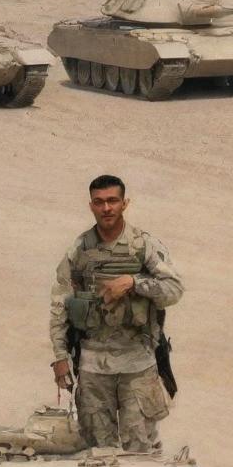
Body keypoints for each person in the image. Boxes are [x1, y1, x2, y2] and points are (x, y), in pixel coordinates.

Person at [50, 175, 183, 452]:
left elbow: (174, 289)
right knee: (98, 451)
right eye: (99, 202)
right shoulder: (80, 249)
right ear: (91, 206)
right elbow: (60, 303)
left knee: (140, 449)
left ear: (125, 203)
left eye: (112, 201)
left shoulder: (143, 245)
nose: (106, 208)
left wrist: (134, 283)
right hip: (93, 366)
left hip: (138, 364)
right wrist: (61, 357)